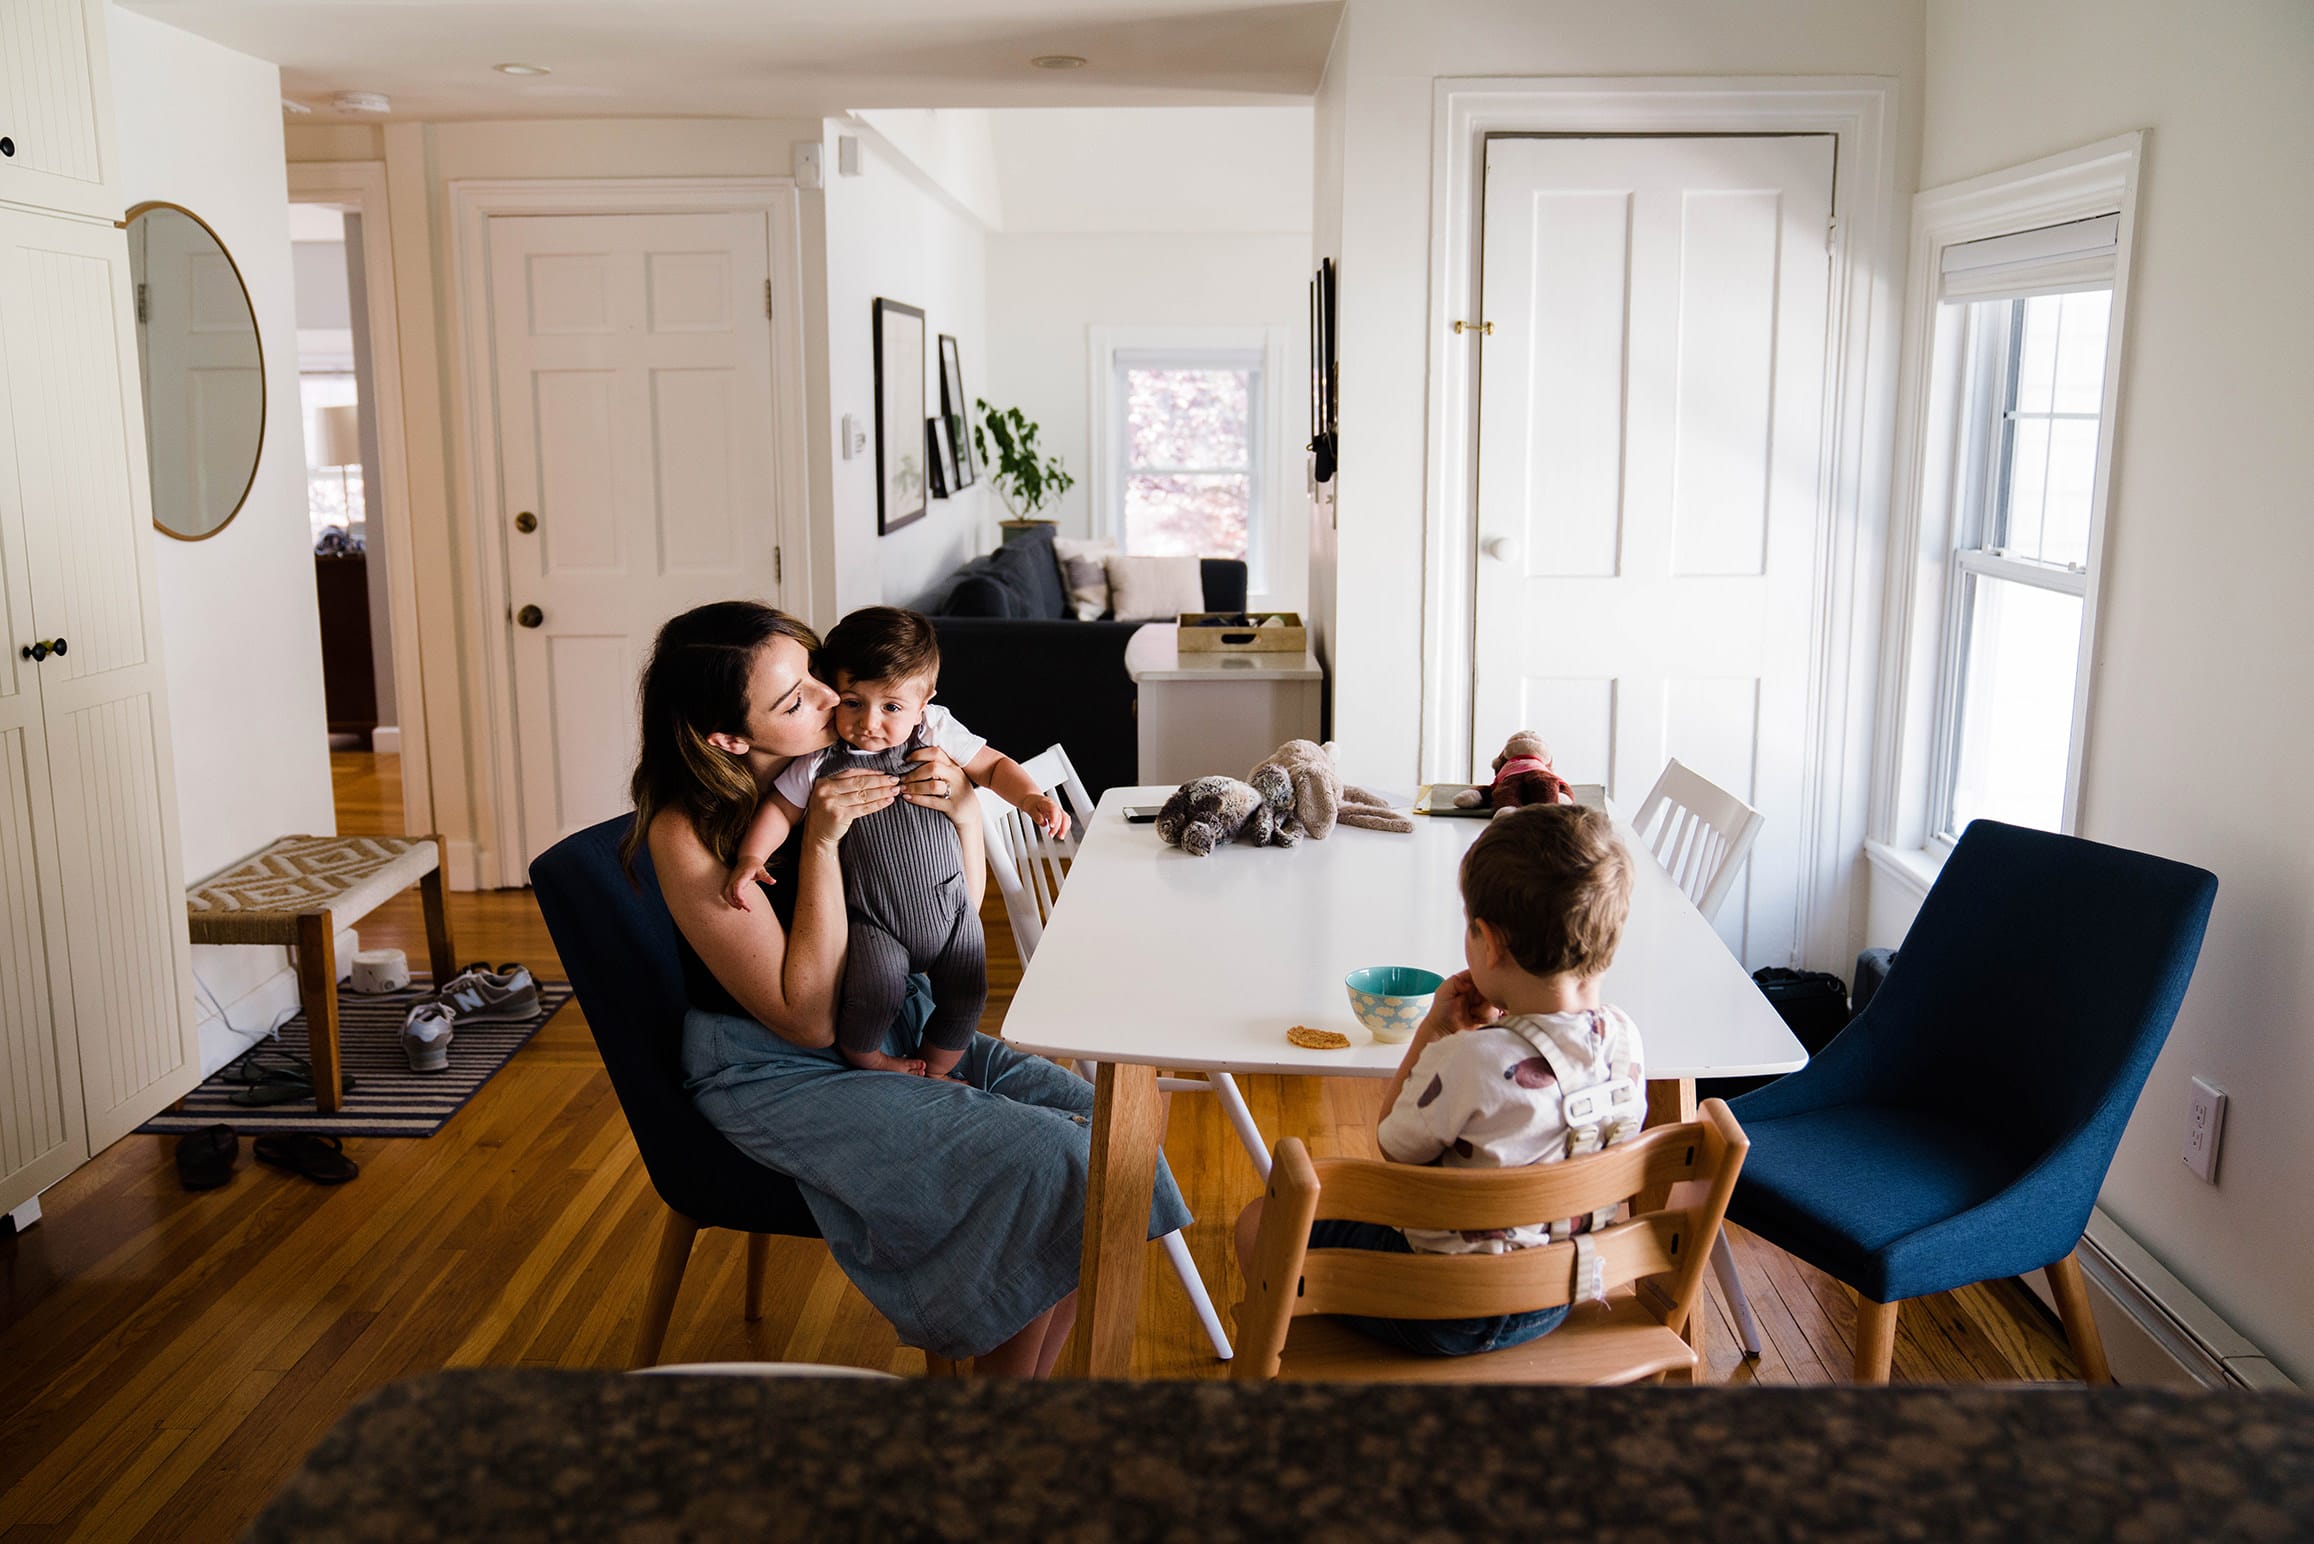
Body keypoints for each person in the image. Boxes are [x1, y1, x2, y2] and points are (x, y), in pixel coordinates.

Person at [632, 600, 1190, 1376]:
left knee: (1111, 1137)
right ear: (730, 738)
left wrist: (961, 807)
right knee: (1049, 1161)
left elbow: (948, 919)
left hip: (900, 1013)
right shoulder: (688, 832)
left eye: (816, 677)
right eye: (799, 700)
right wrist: (822, 842)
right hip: (777, 1066)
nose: (834, 703)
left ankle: (1013, 1395)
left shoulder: (871, 759)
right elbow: (804, 1020)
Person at [1233, 803, 1641, 1357]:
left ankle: (1283, 1358)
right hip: (1558, 1293)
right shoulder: (1625, 1039)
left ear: (1489, 943)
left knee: (1262, 1220)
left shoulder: (1470, 1059)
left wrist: (1433, 1031)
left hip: (1440, 1311)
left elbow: (1391, 1143)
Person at [717, 606, 1068, 1077]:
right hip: (875, 919)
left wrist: (1029, 796)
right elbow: (781, 809)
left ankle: (940, 1069)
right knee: (874, 992)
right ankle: (869, 1057)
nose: (869, 722)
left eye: (891, 707)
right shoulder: (821, 759)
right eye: (853, 701)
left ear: (924, 703)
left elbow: (993, 765)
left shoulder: (934, 730)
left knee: (968, 993)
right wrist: (751, 856)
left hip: (952, 904)